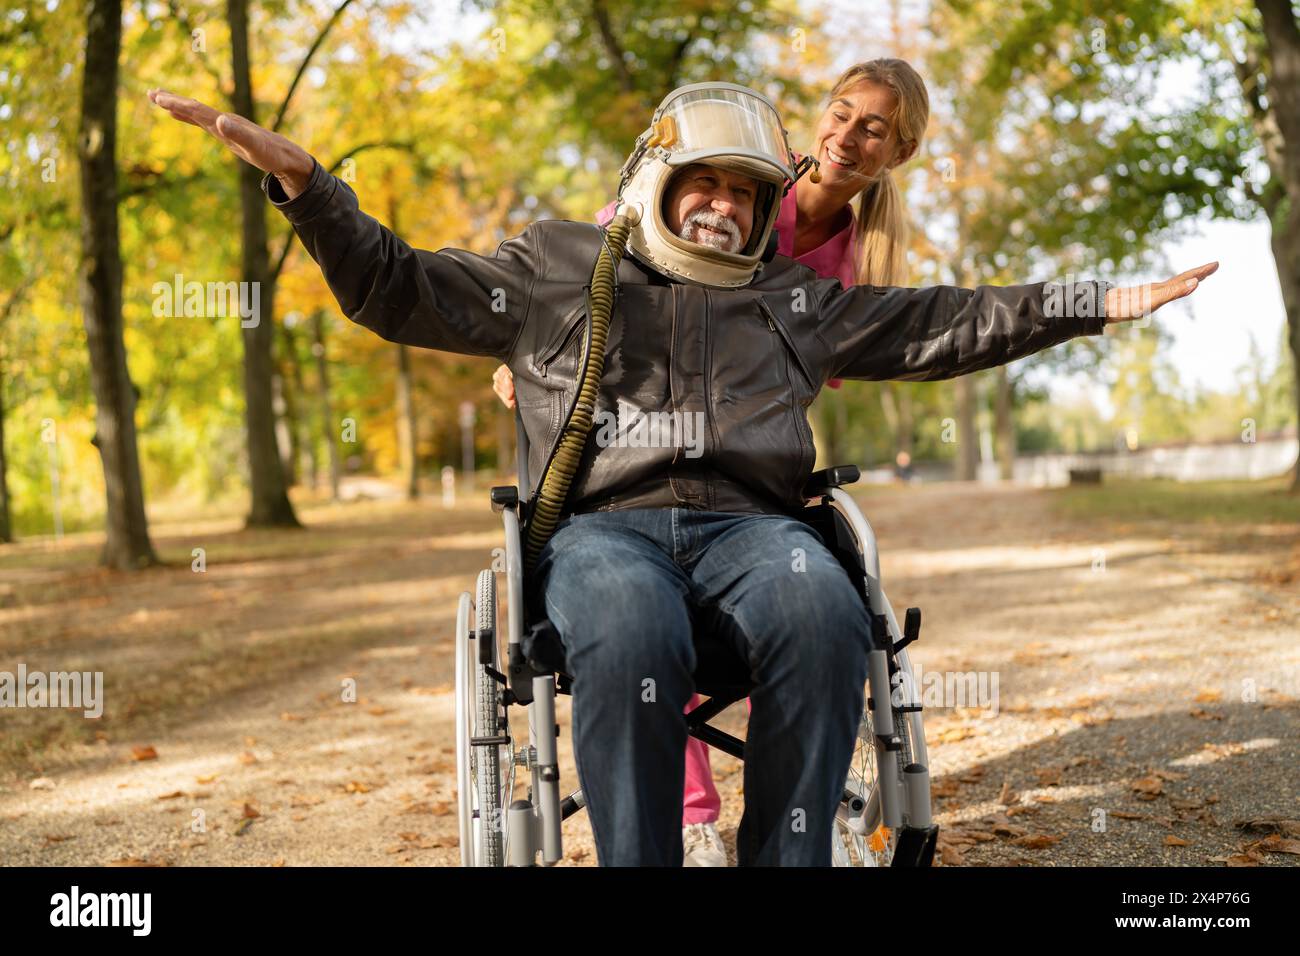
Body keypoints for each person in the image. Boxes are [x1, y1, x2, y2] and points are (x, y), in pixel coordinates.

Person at [148, 81, 1215, 866]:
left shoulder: (795, 299)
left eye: (742, 190)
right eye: (698, 181)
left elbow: (952, 318)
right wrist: (305, 183)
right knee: (628, 621)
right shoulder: (561, 266)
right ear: (656, 184)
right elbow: (396, 284)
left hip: (757, 532)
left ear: (763, 208)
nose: (719, 204)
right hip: (601, 529)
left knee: (823, 610)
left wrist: (1095, 302)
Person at [488, 59, 930, 865]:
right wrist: (533, 350)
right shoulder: (746, 171)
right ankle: (692, 815)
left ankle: (791, 809)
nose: (849, 136)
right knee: (638, 611)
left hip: (745, 442)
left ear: (897, 152)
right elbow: (614, 251)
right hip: (631, 450)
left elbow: (849, 355)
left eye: (876, 129)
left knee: (797, 597)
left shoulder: (861, 259)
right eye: (842, 113)